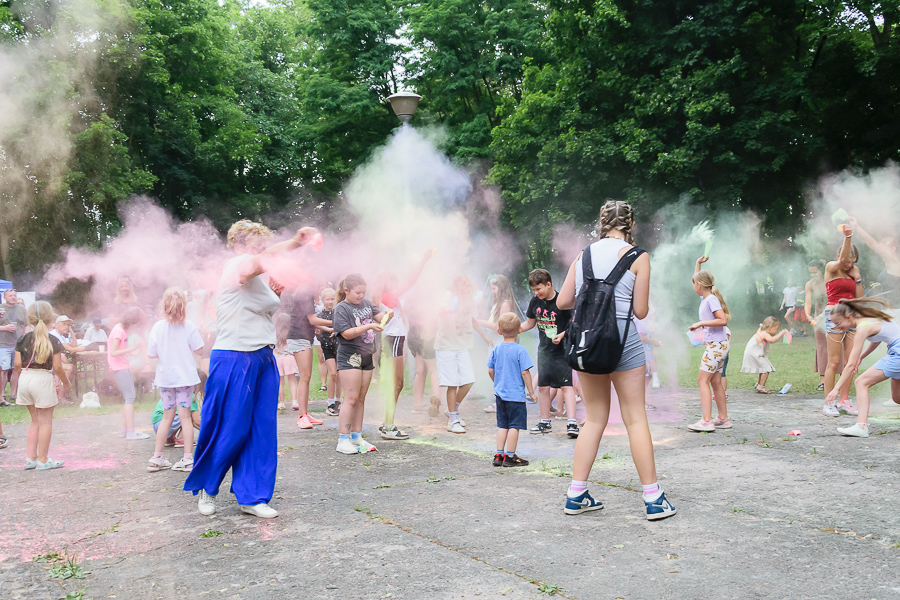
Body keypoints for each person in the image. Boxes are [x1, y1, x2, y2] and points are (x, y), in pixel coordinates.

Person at [185, 220, 320, 519]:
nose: (262, 251)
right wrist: (295, 243)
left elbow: (256, 307)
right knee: (230, 428)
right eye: (256, 246)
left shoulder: (259, 277)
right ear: (237, 245)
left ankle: (253, 496)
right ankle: (208, 487)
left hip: (263, 356)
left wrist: (273, 292)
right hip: (234, 357)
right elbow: (256, 264)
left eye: (263, 245)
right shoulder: (235, 265)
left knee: (261, 430)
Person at [556, 200, 675, 520]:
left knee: (594, 418)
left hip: (589, 344)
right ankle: (653, 498)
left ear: (602, 223)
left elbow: (563, 301)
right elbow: (641, 312)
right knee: (635, 417)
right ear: (630, 225)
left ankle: (576, 494)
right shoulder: (639, 256)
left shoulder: (584, 255)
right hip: (625, 344)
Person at [374, 250, 435, 441]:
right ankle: (388, 425)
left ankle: (387, 423)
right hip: (393, 340)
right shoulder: (387, 297)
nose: (397, 283)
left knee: (396, 384)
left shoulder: (387, 297)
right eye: (393, 280)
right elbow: (411, 281)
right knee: (397, 383)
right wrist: (424, 260)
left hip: (395, 340)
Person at [146, 288, 205, 473]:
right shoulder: (189, 326)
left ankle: (157, 458)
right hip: (185, 379)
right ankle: (187, 459)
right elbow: (200, 350)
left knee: (167, 417)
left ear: (164, 306)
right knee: (185, 417)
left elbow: (151, 353)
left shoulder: (158, 327)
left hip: (166, 379)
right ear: (184, 306)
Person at [332, 273, 391, 454]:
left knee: (360, 398)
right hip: (350, 357)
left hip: (366, 356)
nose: (361, 296)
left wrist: (388, 315)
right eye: (357, 292)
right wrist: (369, 326)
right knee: (350, 398)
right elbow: (346, 334)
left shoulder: (366, 303)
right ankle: (343, 439)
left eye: (364, 292)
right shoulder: (341, 309)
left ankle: (356, 436)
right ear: (346, 290)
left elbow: (379, 316)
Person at [826, 297, 900, 437]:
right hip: (895, 351)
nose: (837, 327)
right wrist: (862, 356)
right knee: (897, 398)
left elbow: (850, 365)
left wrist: (835, 389)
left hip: (898, 353)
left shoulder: (862, 328)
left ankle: (861, 426)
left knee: (861, 382)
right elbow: (877, 338)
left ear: (848, 316)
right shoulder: (868, 319)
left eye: (838, 323)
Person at [520, 268, 578, 438]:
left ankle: (572, 423)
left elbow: (575, 324)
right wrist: (514, 328)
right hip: (544, 351)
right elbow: (530, 323)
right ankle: (545, 422)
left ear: (548, 284)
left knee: (567, 387)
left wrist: (563, 334)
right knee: (543, 387)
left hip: (563, 351)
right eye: (533, 290)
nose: (536, 293)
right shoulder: (535, 302)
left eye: (538, 289)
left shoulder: (562, 301)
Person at [435, 275, 493, 434]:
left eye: (468, 287)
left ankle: (452, 409)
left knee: (468, 380)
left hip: (462, 345)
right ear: (456, 287)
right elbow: (441, 308)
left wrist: (484, 336)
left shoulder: (468, 300)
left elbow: (472, 319)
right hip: (446, 345)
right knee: (452, 383)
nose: (466, 290)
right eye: (463, 287)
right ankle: (453, 420)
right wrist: (447, 308)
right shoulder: (448, 296)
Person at [15, 301, 70, 470]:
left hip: (25, 378)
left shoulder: (22, 339)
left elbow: (17, 364)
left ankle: (31, 458)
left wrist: (24, 377)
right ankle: (43, 460)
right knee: (45, 422)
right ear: (50, 318)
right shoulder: (52, 340)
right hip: (42, 379)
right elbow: (58, 367)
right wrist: (65, 382)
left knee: (35, 421)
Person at [686, 256, 732, 432]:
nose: (693, 286)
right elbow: (697, 278)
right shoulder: (706, 298)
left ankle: (706, 421)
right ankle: (723, 418)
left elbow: (722, 320)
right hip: (720, 346)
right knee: (716, 382)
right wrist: (697, 264)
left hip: (716, 347)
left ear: (699, 285)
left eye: (694, 284)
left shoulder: (711, 300)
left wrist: (700, 324)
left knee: (702, 380)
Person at [822, 228, 864, 417]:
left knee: (849, 362)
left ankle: (844, 401)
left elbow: (859, 299)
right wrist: (848, 238)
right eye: (846, 260)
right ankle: (828, 402)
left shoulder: (854, 272)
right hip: (834, 316)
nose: (849, 264)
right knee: (834, 361)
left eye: (853, 261)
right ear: (839, 255)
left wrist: (858, 278)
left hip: (851, 318)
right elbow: (842, 261)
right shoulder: (832, 267)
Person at [488, 312, 537, 467]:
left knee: (502, 425)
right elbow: (525, 372)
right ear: (520, 330)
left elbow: (490, 370)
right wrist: (531, 392)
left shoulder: (496, 349)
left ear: (499, 331)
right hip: (515, 396)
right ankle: (510, 457)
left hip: (500, 395)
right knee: (514, 426)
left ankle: (498, 455)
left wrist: (497, 382)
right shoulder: (521, 350)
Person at [287, 283, 331, 428]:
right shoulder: (305, 294)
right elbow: (313, 320)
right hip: (299, 338)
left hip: (304, 337)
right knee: (304, 377)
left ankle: (305, 413)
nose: (321, 286)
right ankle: (302, 416)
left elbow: (310, 322)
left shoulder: (306, 294)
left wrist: (331, 328)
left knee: (306, 377)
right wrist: (335, 322)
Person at [108, 307, 148, 440]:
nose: (136, 328)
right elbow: (113, 352)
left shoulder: (121, 329)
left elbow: (120, 351)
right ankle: (131, 432)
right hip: (119, 368)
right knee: (130, 397)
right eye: (136, 324)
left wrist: (134, 352)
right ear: (132, 321)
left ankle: (124, 430)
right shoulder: (119, 331)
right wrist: (132, 349)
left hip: (121, 366)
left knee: (128, 397)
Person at [479, 274, 517, 413]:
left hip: (500, 342)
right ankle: (501, 401)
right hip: (493, 342)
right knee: (496, 372)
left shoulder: (505, 304)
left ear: (501, 288)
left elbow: (499, 326)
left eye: (494, 288)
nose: (493, 291)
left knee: (500, 373)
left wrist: (480, 322)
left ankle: (501, 403)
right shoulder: (498, 303)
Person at [848, 216, 900, 308]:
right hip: (889, 309)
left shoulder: (895, 261)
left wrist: (857, 227)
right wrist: (879, 285)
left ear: (893, 249)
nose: (880, 250)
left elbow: (872, 243)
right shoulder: (890, 264)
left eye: (883, 247)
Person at [151, 371, 204, 448]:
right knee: (187, 416)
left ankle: (168, 438)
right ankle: (181, 439)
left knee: (177, 414)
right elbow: (197, 421)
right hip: (165, 423)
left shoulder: (175, 391)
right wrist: (210, 431)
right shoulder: (189, 396)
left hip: (158, 425)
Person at [406, 299, 440, 414]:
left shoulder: (411, 301)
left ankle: (418, 404)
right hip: (427, 336)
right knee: (434, 370)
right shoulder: (428, 300)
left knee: (420, 371)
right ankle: (436, 403)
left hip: (413, 336)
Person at [740, 317, 787, 393]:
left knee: (763, 369)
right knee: (766, 369)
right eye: (776, 329)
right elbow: (772, 340)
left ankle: (759, 385)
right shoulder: (764, 333)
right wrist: (781, 333)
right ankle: (761, 386)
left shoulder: (762, 331)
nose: (776, 331)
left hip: (753, 353)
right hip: (754, 354)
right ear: (770, 327)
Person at [0, 289, 28, 406]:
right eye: (10, 295)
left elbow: (27, 325)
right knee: (4, 370)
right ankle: (1, 395)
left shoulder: (22, 309)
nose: (13, 297)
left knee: (16, 369)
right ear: (4, 297)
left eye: (14, 295)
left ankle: (13, 394)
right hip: (3, 344)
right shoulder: (1, 309)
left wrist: (26, 336)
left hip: (18, 344)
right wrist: (4, 328)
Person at [316, 288, 341, 416]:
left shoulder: (339, 313)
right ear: (323, 300)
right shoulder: (320, 315)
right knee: (332, 373)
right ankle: (330, 403)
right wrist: (328, 331)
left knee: (339, 374)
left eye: (332, 299)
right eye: (327, 299)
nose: (330, 302)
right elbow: (318, 329)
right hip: (327, 347)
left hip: (340, 346)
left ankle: (338, 400)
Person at [805, 260, 829, 391]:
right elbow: (808, 302)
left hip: (833, 314)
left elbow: (834, 300)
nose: (813, 275)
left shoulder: (829, 281)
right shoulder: (810, 284)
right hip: (818, 316)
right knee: (821, 346)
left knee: (838, 345)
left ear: (822, 270)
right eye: (811, 273)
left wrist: (823, 315)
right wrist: (808, 315)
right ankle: (823, 381)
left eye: (815, 272)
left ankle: (842, 377)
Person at [50, 315, 84, 403]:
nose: (66, 327)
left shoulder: (61, 336)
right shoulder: (54, 335)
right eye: (64, 324)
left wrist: (72, 333)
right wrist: (86, 348)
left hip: (54, 363)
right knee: (69, 368)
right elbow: (71, 349)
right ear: (56, 325)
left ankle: (66, 395)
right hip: (48, 365)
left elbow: (74, 346)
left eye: (68, 325)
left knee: (72, 367)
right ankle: (61, 398)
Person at [274, 312, 299, 411]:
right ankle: (294, 401)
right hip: (289, 357)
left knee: (281, 382)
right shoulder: (291, 333)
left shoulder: (275, 333)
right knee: (292, 381)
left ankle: (281, 403)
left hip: (278, 358)